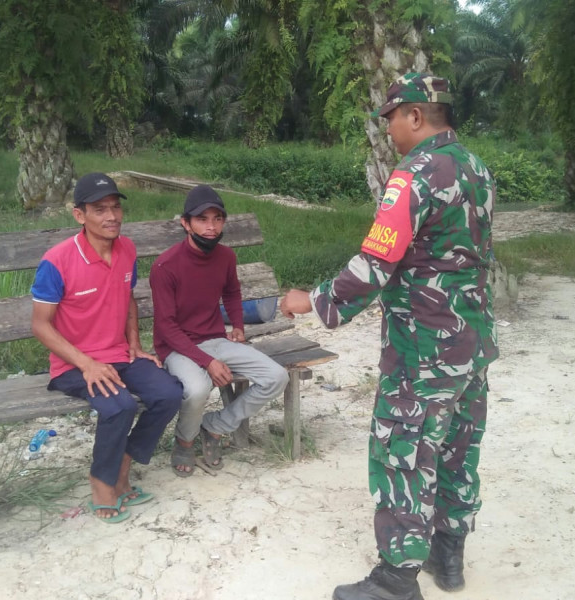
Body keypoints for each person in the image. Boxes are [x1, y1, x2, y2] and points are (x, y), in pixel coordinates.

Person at [280, 73, 498, 600]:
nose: (389, 130)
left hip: (422, 349)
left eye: (392, 119)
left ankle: (397, 580)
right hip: (471, 341)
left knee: (404, 448)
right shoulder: (476, 167)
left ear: (416, 116)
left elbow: (376, 262)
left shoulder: (414, 174)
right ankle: (448, 556)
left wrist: (314, 300)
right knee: (457, 445)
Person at [31, 172, 183, 523]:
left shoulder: (127, 249)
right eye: (100, 209)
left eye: (115, 207)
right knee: (120, 406)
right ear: (79, 215)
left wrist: (135, 344)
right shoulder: (57, 261)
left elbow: (126, 297)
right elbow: (40, 325)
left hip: (119, 354)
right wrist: (87, 364)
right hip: (73, 364)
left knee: (169, 394)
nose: (111, 216)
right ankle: (102, 483)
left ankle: (122, 467)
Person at [150, 185, 288, 476]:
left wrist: (237, 326)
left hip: (216, 339)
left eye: (217, 219)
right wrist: (207, 362)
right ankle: (184, 441)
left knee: (277, 376)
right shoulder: (165, 266)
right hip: (178, 347)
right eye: (202, 219)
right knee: (197, 389)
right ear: (186, 223)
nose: (211, 227)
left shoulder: (226, 257)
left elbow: (232, 292)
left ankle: (215, 426)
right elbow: (166, 326)